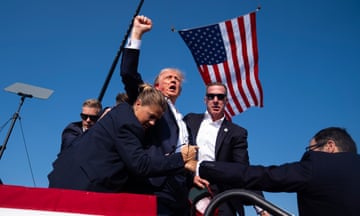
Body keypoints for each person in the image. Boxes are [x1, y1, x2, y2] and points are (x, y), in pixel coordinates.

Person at [48, 84, 197, 192]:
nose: (152, 123)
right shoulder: (128, 124)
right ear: (138, 104)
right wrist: (181, 158)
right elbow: (140, 165)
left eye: (157, 120)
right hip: (78, 187)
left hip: (71, 181)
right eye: (151, 116)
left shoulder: (122, 114)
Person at [121, 15, 193, 215]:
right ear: (157, 85)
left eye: (177, 79)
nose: (174, 81)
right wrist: (136, 34)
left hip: (180, 192)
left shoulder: (184, 120)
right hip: (154, 185)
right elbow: (128, 74)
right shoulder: (150, 101)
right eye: (168, 77)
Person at [199, 127, 360, 216]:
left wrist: (204, 167)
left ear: (330, 146)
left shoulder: (317, 166)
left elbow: (263, 176)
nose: (309, 154)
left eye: (311, 149)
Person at [184, 82, 266, 216]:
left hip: (222, 197)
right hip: (190, 192)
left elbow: (243, 170)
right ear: (205, 100)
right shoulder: (190, 120)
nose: (215, 100)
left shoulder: (237, 133)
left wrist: (261, 208)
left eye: (220, 97)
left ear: (226, 101)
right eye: (211, 96)